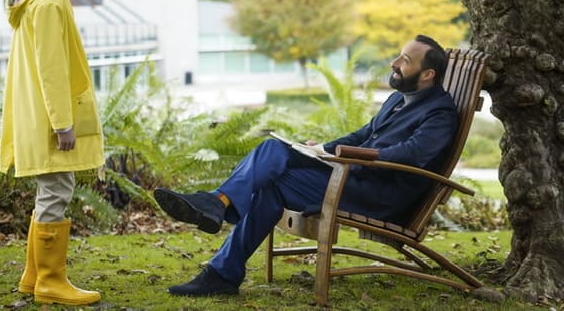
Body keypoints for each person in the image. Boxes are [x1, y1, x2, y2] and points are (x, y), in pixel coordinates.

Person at [154, 35, 458, 296]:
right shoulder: (398, 98)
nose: (394, 63)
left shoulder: (441, 114)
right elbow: (365, 133)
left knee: (273, 179)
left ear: (428, 74)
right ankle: (221, 261)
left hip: (377, 194)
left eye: (405, 60)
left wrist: (355, 156)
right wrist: (323, 148)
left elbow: (414, 154)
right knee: (275, 153)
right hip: (351, 174)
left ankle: (218, 222)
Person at [0, 0, 104, 306]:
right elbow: (52, 70)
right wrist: (63, 123)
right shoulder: (47, 4)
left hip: (38, 116)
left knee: (51, 191)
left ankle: (33, 276)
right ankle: (51, 281)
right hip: (49, 120)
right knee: (56, 191)